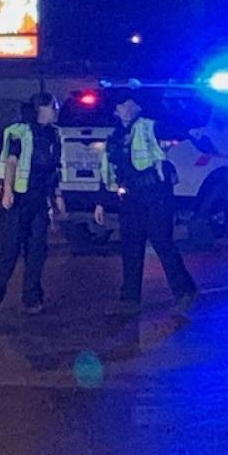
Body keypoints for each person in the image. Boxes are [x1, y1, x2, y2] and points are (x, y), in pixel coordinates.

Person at [94, 90, 197, 314]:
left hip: (156, 195)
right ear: (116, 111)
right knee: (131, 248)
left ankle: (184, 292)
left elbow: (178, 129)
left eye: (132, 104)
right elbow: (107, 172)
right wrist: (101, 203)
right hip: (130, 199)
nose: (128, 109)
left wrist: (163, 109)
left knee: (162, 243)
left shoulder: (149, 126)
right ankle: (129, 300)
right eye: (123, 105)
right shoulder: (114, 139)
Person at [0, 93, 63, 315]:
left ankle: (32, 298)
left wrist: (57, 198)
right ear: (42, 108)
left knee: (37, 252)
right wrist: (7, 191)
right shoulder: (19, 131)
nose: (57, 110)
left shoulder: (55, 134)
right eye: (54, 106)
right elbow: (11, 162)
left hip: (38, 201)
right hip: (18, 200)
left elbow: (55, 169)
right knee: (9, 251)